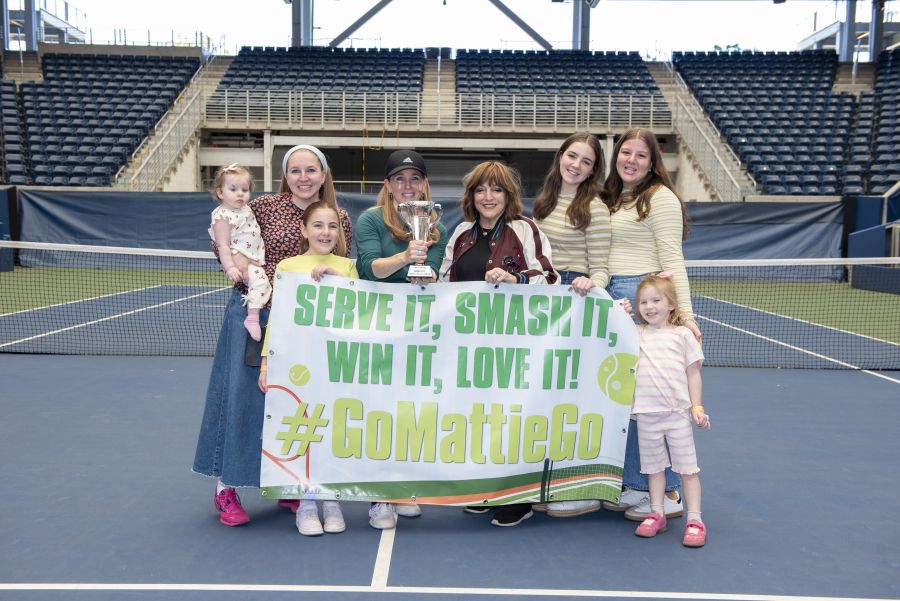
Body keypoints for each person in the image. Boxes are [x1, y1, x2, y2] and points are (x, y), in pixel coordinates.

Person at [193, 144, 353, 527]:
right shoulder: (263, 206)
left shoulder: (339, 217)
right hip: (256, 314)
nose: (303, 177)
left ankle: (285, 482)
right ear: (286, 175)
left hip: (306, 327)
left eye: (311, 170)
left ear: (323, 174)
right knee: (242, 398)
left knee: (292, 406)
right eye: (295, 170)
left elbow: (343, 265)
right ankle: (226, 487)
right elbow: (224, 236)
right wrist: (238, 262)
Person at [439, 160, 559, 527]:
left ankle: (519, 497)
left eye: (496, 189)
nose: (488, 196)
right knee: (479, 419)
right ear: (471, 196)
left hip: (515, 343)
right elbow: (445, 282)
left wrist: (514, 278)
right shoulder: (461, 233)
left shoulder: (525, 229)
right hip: (470, 344)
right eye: (480, 190)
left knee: (513, 418)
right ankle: (487, 489)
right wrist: (425, 284)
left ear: (508, 196)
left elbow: (550, 277)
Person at [599, 127, 700, 523]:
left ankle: (669, 490)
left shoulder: (661, 198)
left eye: (641, 155)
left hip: (643, 298)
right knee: (625, 400)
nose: (632, 160)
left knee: (654, 401)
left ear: (653, 162)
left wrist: (684, 316)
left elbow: (672, 259)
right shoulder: (611, 197)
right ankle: (634, 483)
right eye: (626, 152)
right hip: (613, 299)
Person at [354, 149, 448, 529]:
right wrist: (406, 257)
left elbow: (433, 274)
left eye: (415, 179)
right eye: (399, 179)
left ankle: (404, 487)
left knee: (412, 412)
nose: (407, 185)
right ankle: (379, 496)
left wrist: (426, 272)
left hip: (418, 331)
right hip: (377, 328)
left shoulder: (435, 227)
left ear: (424, 184)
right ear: (388, 185)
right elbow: (369, 268)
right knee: (379, 410)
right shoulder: (371, 220)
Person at [258, 200, 356, 536]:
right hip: (297, 365)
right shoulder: (287, 266)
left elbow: (359, 313)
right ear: (303, 230)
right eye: (318, 225)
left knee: (330, 433)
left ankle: (331, 501)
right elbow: (278, 319)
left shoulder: (347, 266)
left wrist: (336, 279)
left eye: (332, 226)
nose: (325, 232)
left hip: (335, 365)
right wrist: (266, 363)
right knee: (303, 432)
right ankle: (307, 504)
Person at [531, 133, 612, 519]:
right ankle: (547, 481)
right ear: (560, 156)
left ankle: (580, 488)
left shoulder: (594, 207)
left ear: (594, 170)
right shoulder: (544, 201)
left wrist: (588, 283)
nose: (576, 165)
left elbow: (601, 269)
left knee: (573, 399)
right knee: (545, 397)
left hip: (574, 302)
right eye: (572, 156)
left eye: (586, 161)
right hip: (543, 299)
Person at [631, 274, 709, 547]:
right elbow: (613, 326)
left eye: (656, 300)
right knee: (653, 470)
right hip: (646, 415)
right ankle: (657, 513)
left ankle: (695, 520)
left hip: (677, 415)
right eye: (643, 302)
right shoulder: (636, 333)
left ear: (672, 304)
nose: (649, 307)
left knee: (688, 470)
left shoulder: (682, 335)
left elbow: (693, 374)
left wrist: (697, 406)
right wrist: (621, 310)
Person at [207, 163, 271, 342]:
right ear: (220, 193)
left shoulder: (246, 208)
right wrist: (230, 268)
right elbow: (223, 246)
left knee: (262, 283)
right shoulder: (223, 217)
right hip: (240, 257)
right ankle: (252, 318)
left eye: (245, 189)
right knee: (261, 283)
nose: (240, 193)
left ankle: (253, 316)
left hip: (253, 256)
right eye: (233, 189)